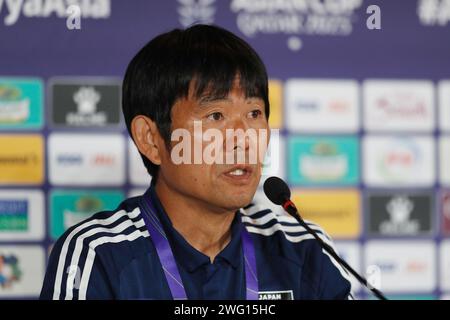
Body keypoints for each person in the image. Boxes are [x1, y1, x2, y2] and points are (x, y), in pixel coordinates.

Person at [40, 24, 352, 300]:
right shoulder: (98, 254)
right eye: (216, 116)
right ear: (151, 139)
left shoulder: (302, 246)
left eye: (254, 113)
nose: (244, 138)